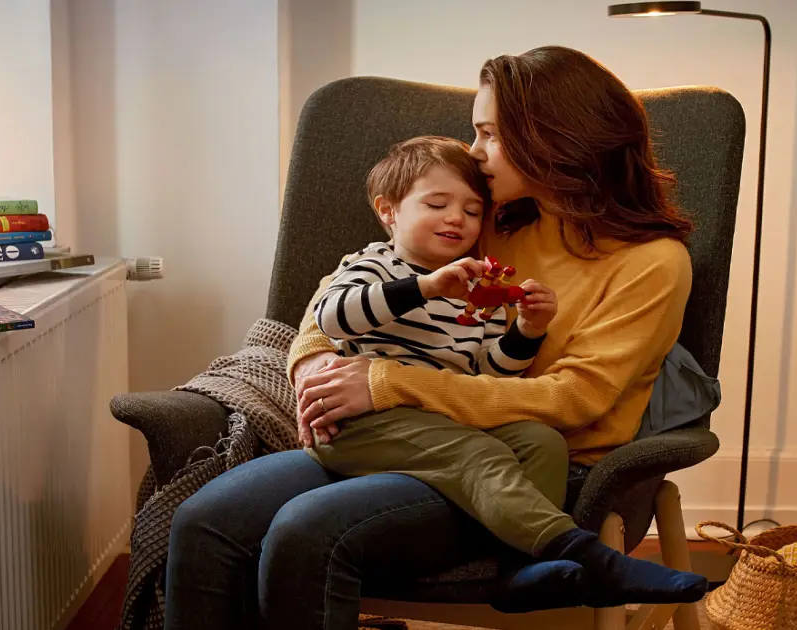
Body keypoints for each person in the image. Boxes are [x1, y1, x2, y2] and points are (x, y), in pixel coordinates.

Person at [166, 46, 707, 630]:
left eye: (489, 134)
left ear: (553, 137)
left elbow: (574, 399)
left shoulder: (653, 263)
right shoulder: (495, 223)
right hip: (403, 436)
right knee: (204, 519)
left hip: (533, 468)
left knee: (306, 531)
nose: (474, 153)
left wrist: (387, 383)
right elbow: (345, 289)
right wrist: (313, 371)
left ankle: (544, 554)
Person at [305, 135, 575, 559]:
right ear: (387, 210)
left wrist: (528, 329)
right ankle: (557, 546)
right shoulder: (374, 264)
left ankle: (517, 563)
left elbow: (489, 376)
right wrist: (425, 287)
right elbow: (333, 318)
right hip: (365, 421)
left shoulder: (476, 291)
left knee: (543, 441)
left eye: (472, 211)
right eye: (436, 205)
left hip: (442, 417)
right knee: (480, 452)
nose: (456, 219)